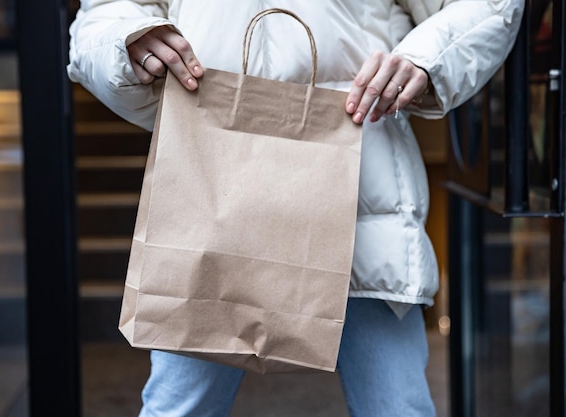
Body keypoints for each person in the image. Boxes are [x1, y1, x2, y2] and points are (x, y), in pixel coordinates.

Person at [68, 1, 523, 416]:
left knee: (396, 407)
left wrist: (427, 57)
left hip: (357, 205)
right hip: (219, 205)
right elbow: (103, 14)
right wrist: (128, 39)